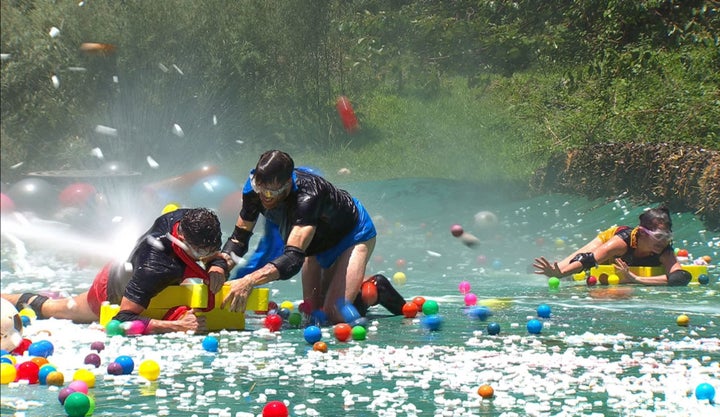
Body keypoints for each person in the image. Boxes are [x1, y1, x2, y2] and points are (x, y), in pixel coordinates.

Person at [217, 150, 406, 323]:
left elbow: (292, 259)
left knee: (335, 314)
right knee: (312, 313)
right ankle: (357, 288)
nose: (265, 197)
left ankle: (375, 289)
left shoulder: (307, 196)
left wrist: (249, 281)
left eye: (271, 192)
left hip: (352, 235)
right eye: (261, 189)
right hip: (315, 244)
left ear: (288, 184)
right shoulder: (253, 189)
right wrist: (220, 267)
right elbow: (239, 238)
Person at [1, 208, 229, 334]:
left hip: (130, 268)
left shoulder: (185, 218)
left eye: (213, 247)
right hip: (109, 291)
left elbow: (210, 253)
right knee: (56, 309)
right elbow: (122, 319)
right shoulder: (156, 267)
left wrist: (217, 264)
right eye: (200, 252)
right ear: (181, 237)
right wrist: (175, 326)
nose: (206, 256)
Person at [532, 206, 692, 286]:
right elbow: (589, 259)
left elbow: (680, 277)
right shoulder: (620, 243)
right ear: (643, 233)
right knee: (562, 268)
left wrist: (637, 279)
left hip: (627, 264)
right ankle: (534, 268)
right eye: (659, 237)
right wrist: (560, 273)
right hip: (608, 239)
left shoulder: (664, 250)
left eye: (668, 237)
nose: (663, 242)